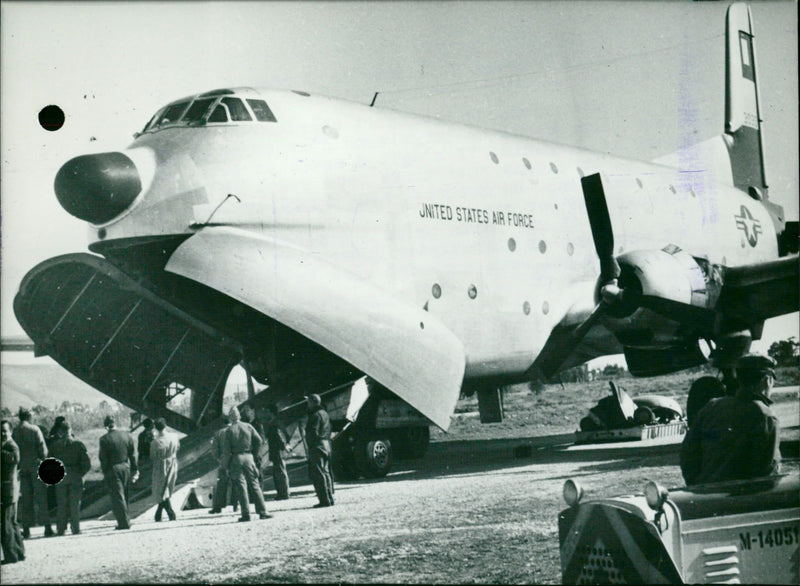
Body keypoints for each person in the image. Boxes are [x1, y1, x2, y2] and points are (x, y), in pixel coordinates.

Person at [680, 353, 781, 486]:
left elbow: (688, 454)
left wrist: (697, 486)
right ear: (766, 380)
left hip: (705, 497)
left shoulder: (711, 406)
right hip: (741, 501)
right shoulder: (766, 416)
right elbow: (767, 472)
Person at [222, 407, 271, 522]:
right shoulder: (248, 426)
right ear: (239, 416)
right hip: (249, 457)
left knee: (241, 486)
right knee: (254, 484)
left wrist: (225, 466)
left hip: (236, 458)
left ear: (230, 418)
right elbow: (259, 440)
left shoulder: (229, 431)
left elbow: (226, 451)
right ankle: (262, 511)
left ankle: (246, 514)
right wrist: (254, 454)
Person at [12, 408, 52, 538]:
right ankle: (47, 527)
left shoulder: (15, 431)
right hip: (35, 466)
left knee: (26, 500)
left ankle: (27, 529)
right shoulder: (35, 429)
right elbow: (43, 449)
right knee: (41, 497)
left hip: (22, 467)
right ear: (29, 416)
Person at [49, 421, 91, 536]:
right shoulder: (78, 444)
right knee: (75, 503)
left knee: (61, 503)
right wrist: (80, 473)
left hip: (61, 476)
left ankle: (61, 529)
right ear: (70, 429)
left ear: (60, 432)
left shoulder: (54, 446)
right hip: (76, 475)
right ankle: (75, 528)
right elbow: (87, 463)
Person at [98, 415, 137, 530]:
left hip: (113, 468)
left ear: (106, 426)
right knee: (125, 494)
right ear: (115, 424)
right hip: (126, 467)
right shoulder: (127, 435)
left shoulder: (104, 439)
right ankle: (127, 519)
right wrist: (134, 468)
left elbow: (103, 458)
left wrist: (105, 471)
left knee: (118, 497)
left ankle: (123, 523)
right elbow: (132, 455)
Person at [1, 420, 25, 564]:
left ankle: (11, 556)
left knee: (5, 524)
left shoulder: (11, 445)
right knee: (12, 522)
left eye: (5, 431)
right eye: (1, 431)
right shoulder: (7, 445)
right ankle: (20, 552)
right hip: (9, 488)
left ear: (10, 431)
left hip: (8, 489)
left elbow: (15, 459)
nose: (3, 434)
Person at [304, 394, 334, 508]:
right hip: (326, 445)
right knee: (325, 472)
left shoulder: (315, 415)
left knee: (318, 474)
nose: (307, 404)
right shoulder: (324, 413)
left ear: (312, 402)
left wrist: (310, 445)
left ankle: (324, 500)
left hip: (317, 446)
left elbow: (313, 432)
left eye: (308, 402)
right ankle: (330, 498)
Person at [150, 418, 179, 522]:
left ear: (155, 428)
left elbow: (152, 456)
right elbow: (178, 447)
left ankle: (170, 513)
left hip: (161, 466)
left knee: (161, 489)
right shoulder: (175, 437)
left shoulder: (155, 442)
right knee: (167, 488)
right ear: (165, 425)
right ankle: (160, 514)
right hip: (173, 463)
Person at [209, 415, 234, 514]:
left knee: (221, 485)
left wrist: (219, 459)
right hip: (235, 460)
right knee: (237, 483)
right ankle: (236, 505)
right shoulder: (233, 431)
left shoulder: (218, 433)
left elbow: (214, 450)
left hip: (224, 461)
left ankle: (218, 507)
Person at [265, 403, 290, 500]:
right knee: (280, 472)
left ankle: (284, 494)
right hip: (279, 452)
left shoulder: (274, 424)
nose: (265, 413)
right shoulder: (279, 422)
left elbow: (279, 436)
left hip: (277, 452)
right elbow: (286, 435)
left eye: (267, 411)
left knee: (280, 472)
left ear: (271, 412)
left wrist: (283, 446)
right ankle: (283, 493)